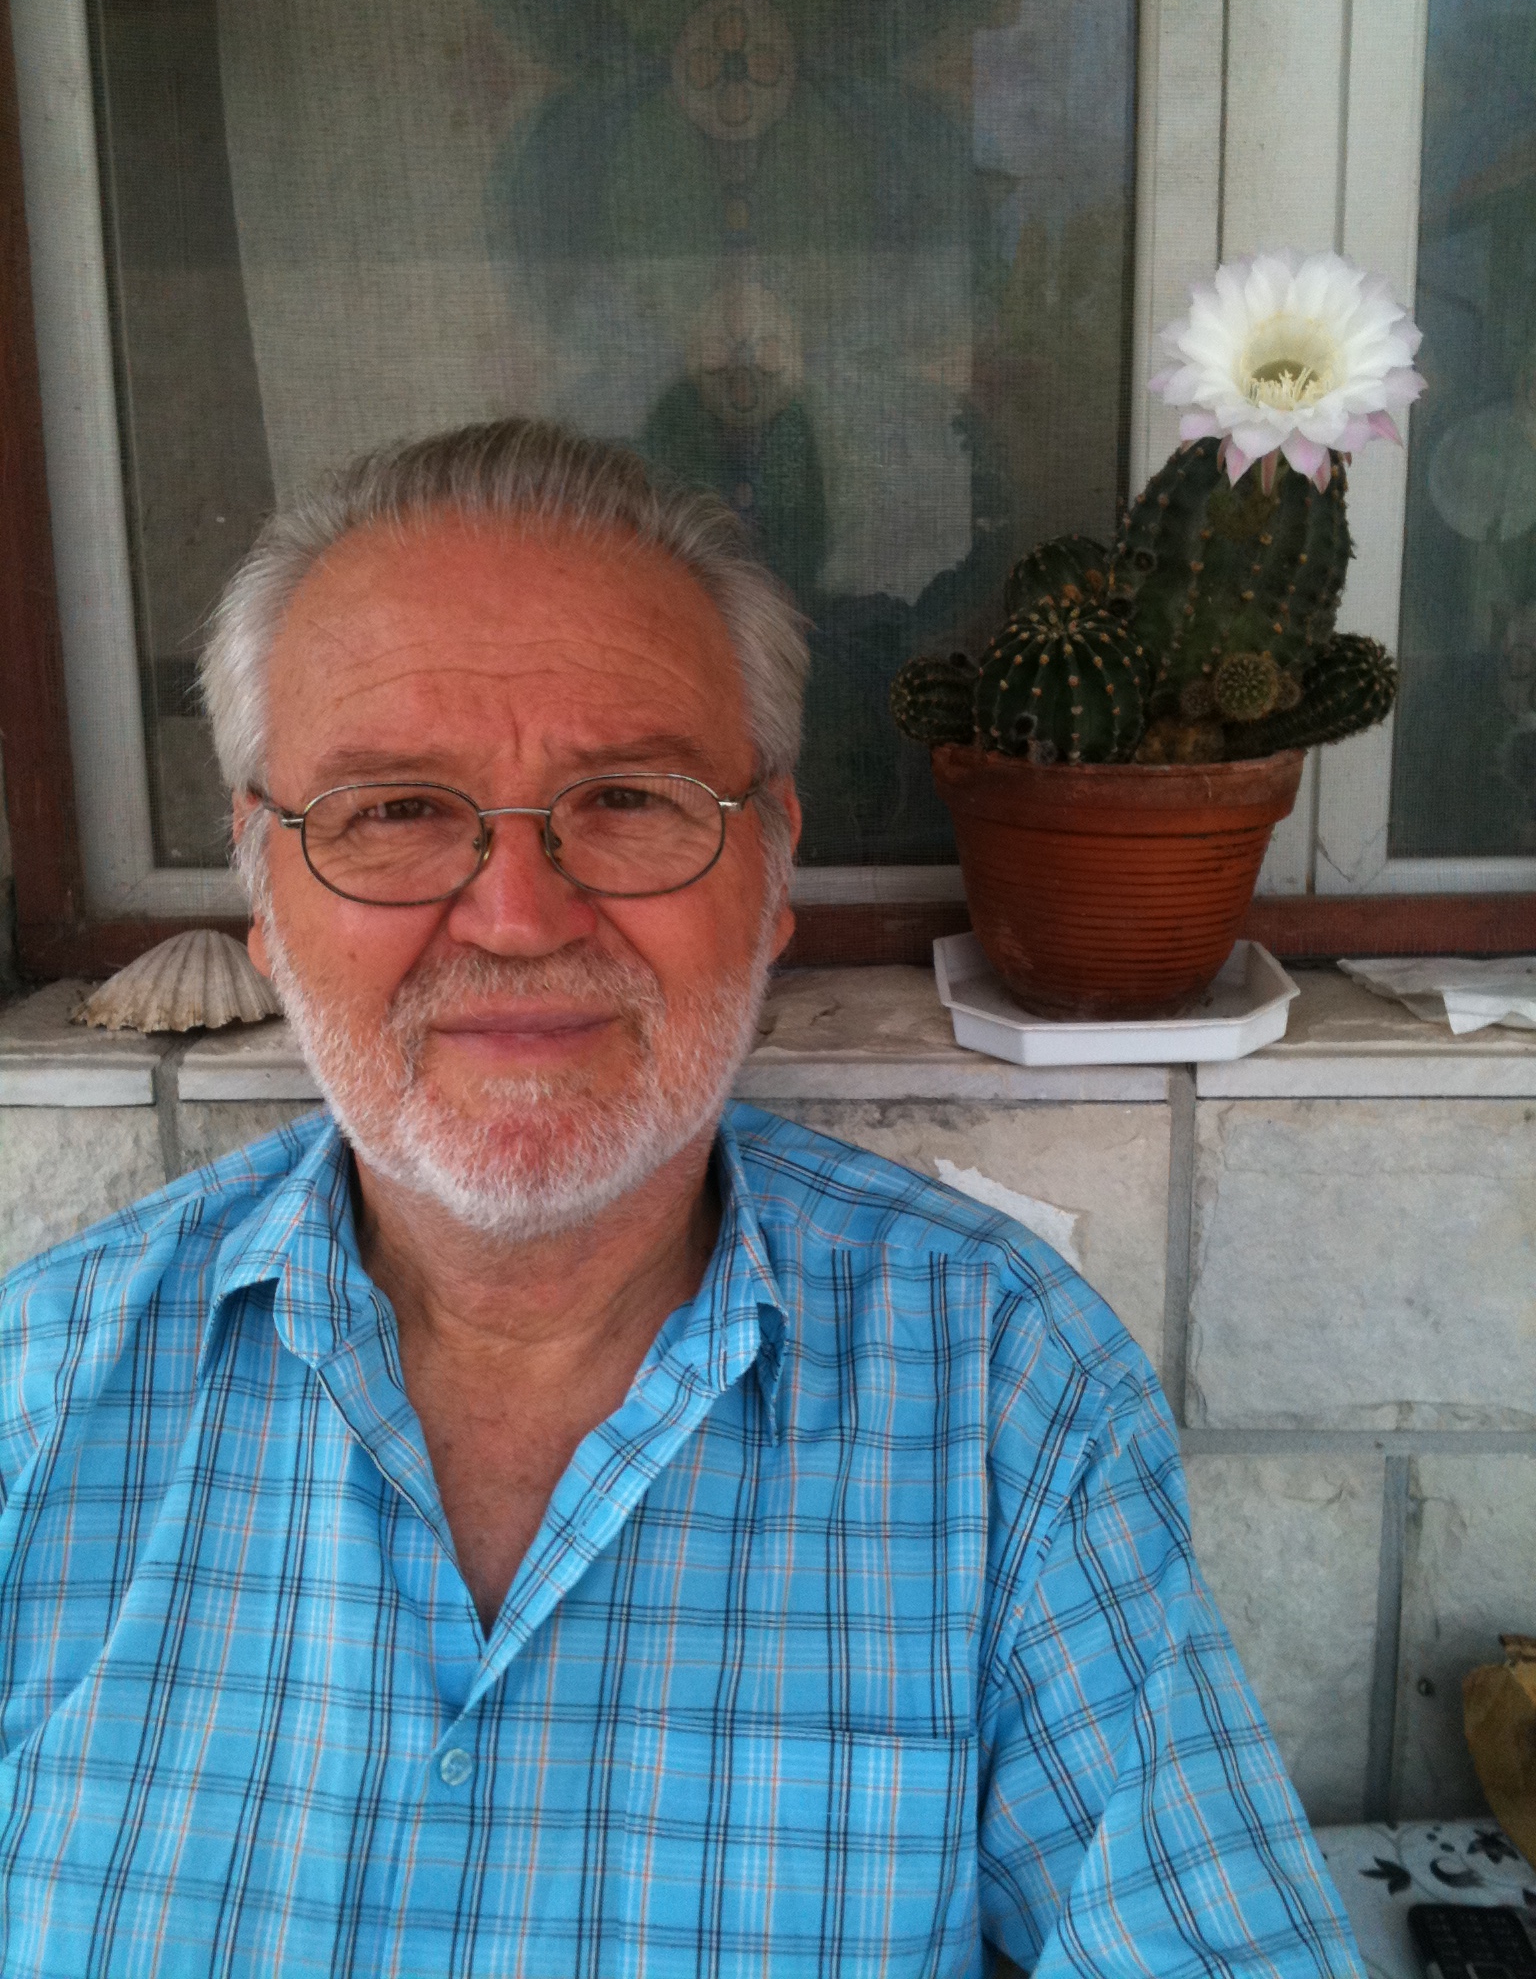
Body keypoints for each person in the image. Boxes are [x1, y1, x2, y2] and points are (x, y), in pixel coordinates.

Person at [0, 419, 1362, 1978]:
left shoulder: (1005, 1390)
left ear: (771, 870)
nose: (517, 918)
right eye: (396, 811)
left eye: (630, 799)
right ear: (264, 889)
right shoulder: (35, 1390)